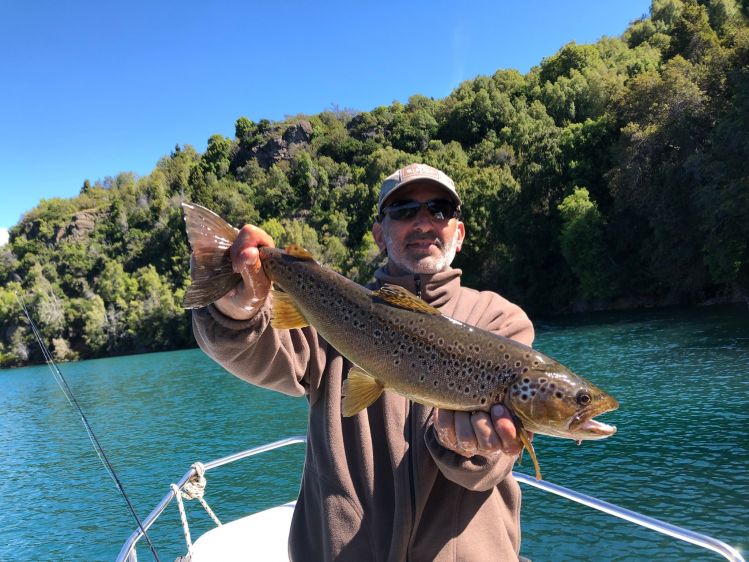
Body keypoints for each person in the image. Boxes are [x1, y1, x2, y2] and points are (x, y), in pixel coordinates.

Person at [192, 162, 535, 561]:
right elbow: (247, 348)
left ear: (458, 233)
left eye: (439, 210)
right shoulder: (331, 309)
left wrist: (464, 445)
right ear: (379, 234)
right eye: (404, 210)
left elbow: (490, 468)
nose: (423, 221)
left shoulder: (499, 323)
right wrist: (236, 308)